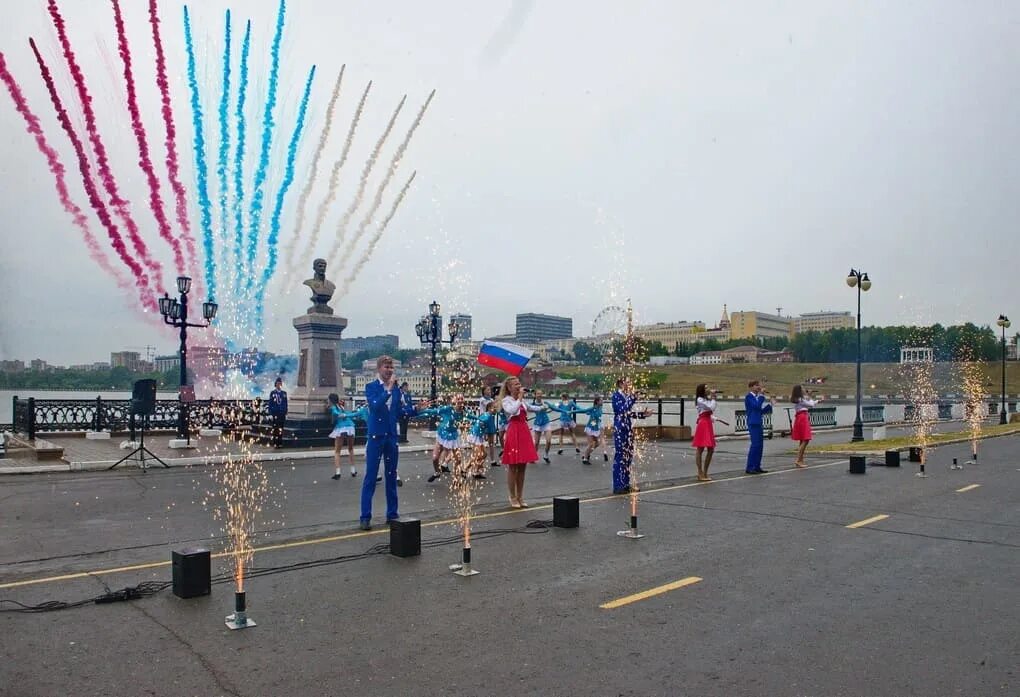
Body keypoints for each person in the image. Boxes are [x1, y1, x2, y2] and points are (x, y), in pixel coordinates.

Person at [360, 356, 416, 530]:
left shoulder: (398, 391)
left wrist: (416, 409)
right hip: (376, 437)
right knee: (370, 477)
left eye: (391, 366)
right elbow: (375, 406)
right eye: (386, 366)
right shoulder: (371, 388)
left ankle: (392, 513)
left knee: (391, 476)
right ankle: (365, 516)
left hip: (391, 437)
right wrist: (389, 389)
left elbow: (400, 411)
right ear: (379, 369)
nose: (390, 369)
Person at [499, 375, 542, 508]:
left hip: (523, 430)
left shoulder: (522, 401)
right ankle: (512, 496)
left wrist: (544, 406)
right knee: (513, 466)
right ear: (509, 387)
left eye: (519, 383)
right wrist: (520, 398)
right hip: (514, 431)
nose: (519, 386)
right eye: (516, 384)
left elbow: (532, 408)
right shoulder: (507, 400)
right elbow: (512, 410)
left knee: (523, 466)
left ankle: (520, 496)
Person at [611, 378, 647, 494]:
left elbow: (628, 413)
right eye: (628, 382)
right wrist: (633, 397)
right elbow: (622, 410)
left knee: (628, 456)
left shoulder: (626, 397)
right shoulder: (616, 396)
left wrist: (642, 414)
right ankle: (618, 486)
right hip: (620, 429)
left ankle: (626, 484)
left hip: (627, 429)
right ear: (621, 384)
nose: (630, 384)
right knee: (620, 456)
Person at [744, 380, 774, 475]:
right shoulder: (749, 397)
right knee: (755, 445)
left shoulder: (757, 397)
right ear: (751, 387)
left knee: (760, 446)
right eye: (757, 385)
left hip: (758, 422)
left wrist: (770, 405)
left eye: (759, 386)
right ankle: (750, 467)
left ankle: (757, 466)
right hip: (753, 422)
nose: (759, 387)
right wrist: (761, 395)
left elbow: (760, 411)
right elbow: (756, 406)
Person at [327, 394, 360, 479]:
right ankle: (353, 470)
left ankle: (338, 472)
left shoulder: (334, 407)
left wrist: (340, 415)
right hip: (350, 427)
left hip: (341, 428)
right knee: (351, 448)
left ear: (330, 400)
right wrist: (354, 413)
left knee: (337, 451)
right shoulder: (341, 406)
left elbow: (336, 414)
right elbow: (347, 414)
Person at [692, 383, 718, 481]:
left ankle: (705, 472)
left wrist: (713, 418)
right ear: (702, 390)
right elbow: (711, 407)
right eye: (706, 388)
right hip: (703, 424)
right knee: (700, 449)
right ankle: (700, 472)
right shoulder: (700, 399)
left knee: (711, 449)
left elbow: (709, 411)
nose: (708, 389)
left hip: (707, 423)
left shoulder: (706, 399)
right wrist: (713, 398)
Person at [791, 384, 820, 468]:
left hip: (800, 417)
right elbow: (810, 404)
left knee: (802, 439)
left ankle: (801, 460)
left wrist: (815, 400)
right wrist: (811, 397)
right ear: (799, 390)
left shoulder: (799, 399)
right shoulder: (800, 399)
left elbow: (809, 402)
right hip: (803, 418)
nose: (804, 389)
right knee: (806, 439)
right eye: (803, 388)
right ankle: (798, 460)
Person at [575, 396, 606, 465]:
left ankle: (586, 454)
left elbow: (597, 418)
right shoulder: (592, 408)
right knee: (591, 444)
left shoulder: (600, 408)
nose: (602, 402)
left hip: (595, 429)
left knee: (597, 443)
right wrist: (571, 411)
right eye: (601, 400)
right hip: (590, 428)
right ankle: (585, 459)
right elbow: (582, 411)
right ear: (597, 402)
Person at [530, 390, 553, 463]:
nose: (539, 395)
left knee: (549, 441)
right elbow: (528, 410)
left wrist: (550, 409)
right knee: (536, 443)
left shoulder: (545, 402)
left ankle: (546, 455)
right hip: (537, 423)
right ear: (535, 395)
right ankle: (533, 456)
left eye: (541, 394)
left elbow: (550, 408)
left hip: (546, 422)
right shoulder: (533, 404)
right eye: (538, 394)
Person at [267, 377, 288, 448]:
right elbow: (270, 403)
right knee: (275, 428)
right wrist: (270, 413)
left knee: (281, 428)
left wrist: (286, 412)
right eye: (277, 383)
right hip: (275, 413)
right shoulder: (273, 393)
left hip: (282, 413)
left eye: (280, 383)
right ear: (275, 384)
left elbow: (285, 403)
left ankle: (280, 442)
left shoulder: (284, 393)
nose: (279, 385)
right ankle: (275, 443)